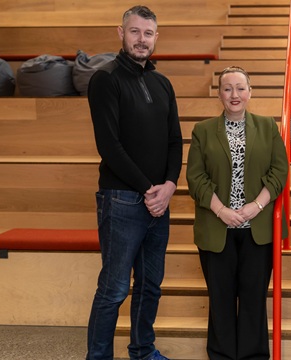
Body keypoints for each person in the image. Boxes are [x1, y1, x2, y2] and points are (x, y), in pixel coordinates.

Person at [86, 5, 182, 360]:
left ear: (156, 38)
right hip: (122, 201)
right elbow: (109, 146)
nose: (141, 40)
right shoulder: (106, 79)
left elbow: (175, 141)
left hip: (159, 201)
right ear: (121, 33)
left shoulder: (162, 83)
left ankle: (142, 351)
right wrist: (149, 190)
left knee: (150, 287)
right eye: (135, 32)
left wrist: (169, 185)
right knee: (113, 290)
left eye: (148, 33)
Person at [186, 66, 288, 360]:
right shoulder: (203, 130)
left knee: (254, 298)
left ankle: (253, 356)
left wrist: (255, 206)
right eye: (228, 88)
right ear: (219, 93)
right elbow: (196, 178)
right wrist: (222, 211)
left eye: (240, 88)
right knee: (220, 299)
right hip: (217, 229)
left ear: (250, 92)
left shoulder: (268, 126)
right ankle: (221, 356)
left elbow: (279, 171)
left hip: (258, 230)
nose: (234, 94)